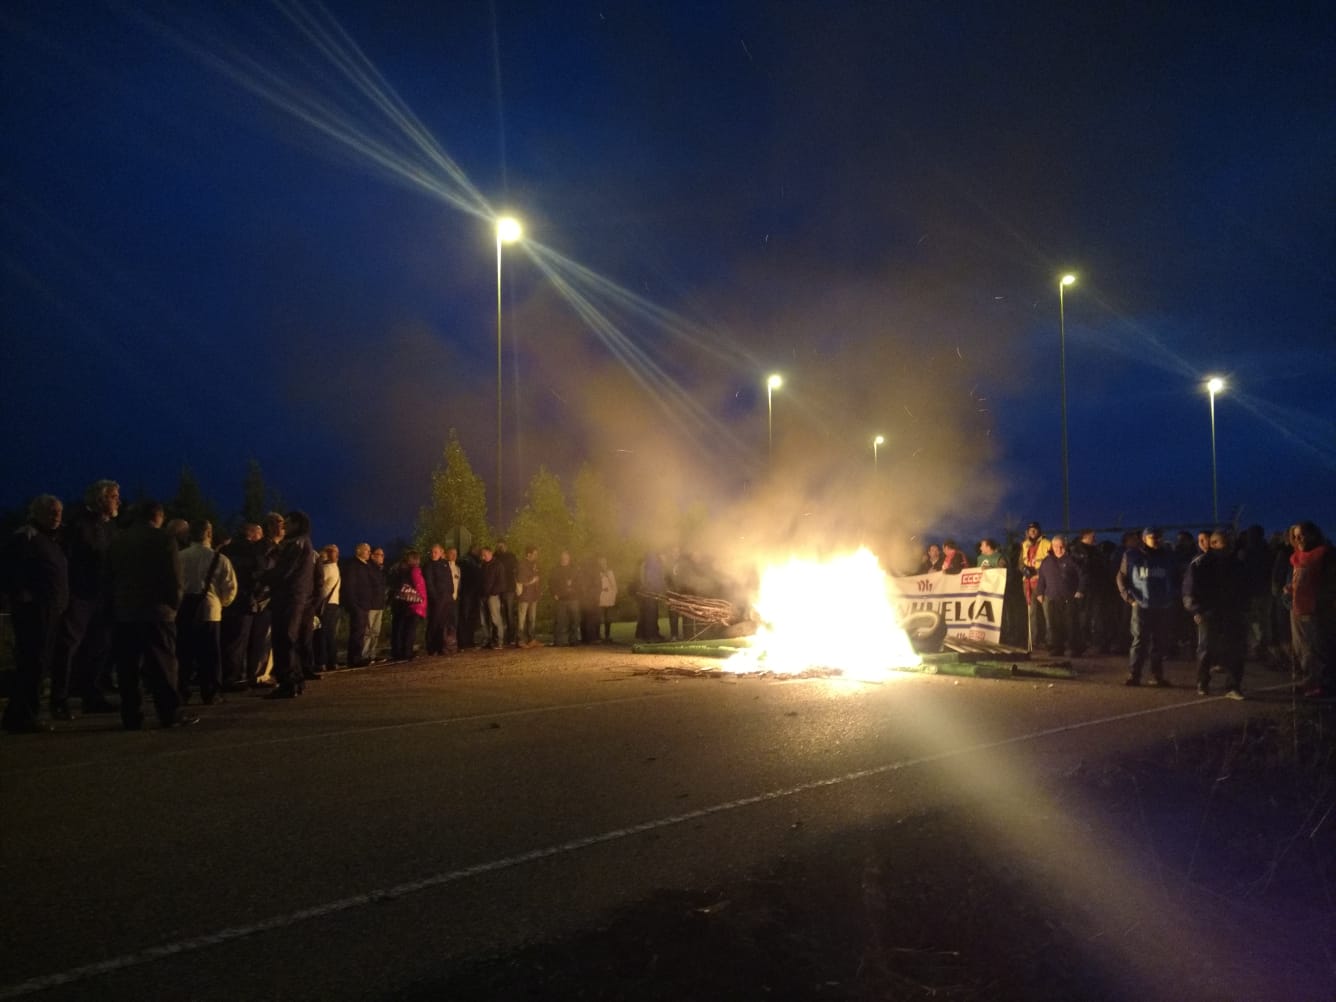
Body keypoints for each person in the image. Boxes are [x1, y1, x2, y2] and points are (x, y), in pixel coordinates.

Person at [105, 500, 196, 729]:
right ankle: (169, 712)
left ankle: (131, 715)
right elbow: (174, 577)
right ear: (158, 515)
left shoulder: (118, 540)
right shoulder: (163, 539)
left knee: (128, 667)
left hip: (124, 612)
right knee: (163, 665)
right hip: (157, 611)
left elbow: (107, 576)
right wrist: (174, 605)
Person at [52, 478, 120, 717]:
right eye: (113, 496)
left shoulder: (110, 528)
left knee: (99, 648)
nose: (117, 501)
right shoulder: (78, 525)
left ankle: (92, 695)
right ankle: (59, 699)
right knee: (69, 646)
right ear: (101, 499)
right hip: (80, 596)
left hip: (102, 597)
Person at [2, 495, 68, 733]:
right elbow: (11, 567)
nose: (57, 516)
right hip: (35, 609)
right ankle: (24, 716)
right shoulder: (27, 536)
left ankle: (18, 712)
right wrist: (21, 593)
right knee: (33, 660)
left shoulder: (49, 539)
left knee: (38, 662)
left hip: (50, 608)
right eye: (51, 512)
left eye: (59, 512)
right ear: (36, 513)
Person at [177, 520, 238, 705]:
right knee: (210, 655)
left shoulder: (179, 556)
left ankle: (182, 690)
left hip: (184, 609)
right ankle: (210, 692)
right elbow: (230, 587)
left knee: (184, 654)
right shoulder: (219, 559)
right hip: (210, 609)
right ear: (209, 534)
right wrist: (222, 602)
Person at [1183, 529, 1247, 698]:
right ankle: (1202, 683)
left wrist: (1244, 608)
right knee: (1206, 648)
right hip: (1208, 612)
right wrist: (1196, 610)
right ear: (1214, 544)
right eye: (1226, 542)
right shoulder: (1200, 563)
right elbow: (1189, 590)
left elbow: (1244, 588)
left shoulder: (1237, 563)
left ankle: (1233, 686)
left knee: (1235, 649)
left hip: (1232, 612)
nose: (1231, 545)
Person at [1116, 527, 1178, 686]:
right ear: (1144, 539)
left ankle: (1157, 676)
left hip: (1162, 605)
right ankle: (1134, 675)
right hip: (1141, 604)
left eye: (1159, 537)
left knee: (1159, 642)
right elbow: (1121, 577)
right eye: (1152, 537)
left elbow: (1176, 577)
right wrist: (1129, 598)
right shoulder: (1132, 555)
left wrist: (1171, 597)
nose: (1156, 540)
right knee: (1140, 641)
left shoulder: (1168, 556)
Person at [264, 510, 316, 698]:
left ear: (297, 523)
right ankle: (296, 679)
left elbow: (285, 571)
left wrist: (263, 577)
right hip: (297, 596)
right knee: (290, 638)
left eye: (287, 522)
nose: (284, 525)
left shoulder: (296, 544)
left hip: (288, 596)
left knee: (283, 638)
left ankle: (287, 683)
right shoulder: (302, 543)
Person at [1288, 521, 1332, 699]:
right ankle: (1310, 680)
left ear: (1313, 534)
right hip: (1298, 607)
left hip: (1316, 608)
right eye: (1295, 536)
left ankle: (1322, 684)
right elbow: (1299, 579)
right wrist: (1290, 588)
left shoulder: (1325, 554)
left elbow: (1330, 582)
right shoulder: (1297, 557)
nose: (1298, 539)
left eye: (1302, 535)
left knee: (1316, 648)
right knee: (1302, 648)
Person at [219, 522, 264, 690]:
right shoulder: (253, 551)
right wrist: (257, 597)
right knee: (240, 641)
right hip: (245, 600)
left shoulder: (225, 550)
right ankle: (233, 678)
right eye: (259, 535)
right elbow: (259, 575)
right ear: (252, 534)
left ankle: (225, 674)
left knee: (227, 640)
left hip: (225, 601)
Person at [1034, 534, 1088, 657]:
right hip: (1052, 598)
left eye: (1061, 546)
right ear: (1052, 547)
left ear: (1065, 546)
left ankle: (1074, 648)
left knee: (1071, 624)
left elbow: (1083, 576)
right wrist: (1040, 592)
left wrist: (1080, 590)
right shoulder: (1047, 561)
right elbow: (1041, 578)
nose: (1059, 548)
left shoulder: (1072, 560)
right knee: (1054, 625)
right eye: (1056, 546)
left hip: (1068, 599)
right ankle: (1057, 648)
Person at [388, 549, 427, 660]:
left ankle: (399, 651)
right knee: (407, 628)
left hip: (399, 602)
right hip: (408, 602)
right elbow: (417, 586)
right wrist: (421, 599)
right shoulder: (410, 571)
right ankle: (405, 651)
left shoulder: (397, 569)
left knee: (400, 628)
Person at [341, 543, 375, 666]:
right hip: (358, 605)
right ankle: (353, 658)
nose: (369, 553)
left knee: (361, 632)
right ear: (358, 551)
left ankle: (358, 656)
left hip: (365, 604)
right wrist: (353, 604)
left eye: (369, 551)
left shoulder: (365, 566)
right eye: (367, 550)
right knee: (356, 632)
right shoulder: (353, 565)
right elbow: (349, 586)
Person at [1020, 522, 1051, 651]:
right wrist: (1024, 569)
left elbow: (1051, 561)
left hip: (1042, 582)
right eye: (1030, 530)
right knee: (1031, 613)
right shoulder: (1024, 544)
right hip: (1027, 583)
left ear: (1039, 531)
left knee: (1047, 612)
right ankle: (1034, 640)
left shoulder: (1046, 543)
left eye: (1034, 530)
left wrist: (1038, 572)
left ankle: (1051, 640)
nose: (1032, 532)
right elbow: (1020, 562)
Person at [312, 544, 341, 671]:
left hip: (325, 604)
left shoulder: (327, 568)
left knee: (321, 634)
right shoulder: (336, 567)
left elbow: (319, 587)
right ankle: (332, 661)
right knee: (330, 634)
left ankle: (321, 661)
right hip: (333, 603)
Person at [421, 544, 453, 656]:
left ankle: (441, 646)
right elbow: (429, 583)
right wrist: (435, 597)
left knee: (442, 623)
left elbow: (449, 578)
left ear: (441, 552)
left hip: (446, 597)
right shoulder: (428, 566)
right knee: (434, 623)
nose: (433, 554)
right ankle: (431, 647)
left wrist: (451, 592)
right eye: (432, 552)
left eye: (436, 552)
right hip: (436, 599)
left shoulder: (444, 563)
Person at [494, 539, 520, 649]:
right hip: (498, 589)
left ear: (505, 545)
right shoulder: (495, 556)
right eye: (498, 546)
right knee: (499, 614)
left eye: (502, 546)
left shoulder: (511, 556)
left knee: (509, 613)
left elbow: (517, 570)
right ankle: (500, 637)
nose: (500, 548)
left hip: (509, 589)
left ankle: (511, 637)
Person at [550, 550, 580, 646]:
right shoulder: (556, 569)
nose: (564, 559)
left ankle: (573, 640)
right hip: (560, 599)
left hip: (573, 598)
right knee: (560, 621)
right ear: (560, 558)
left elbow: (579, 582)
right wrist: (554, 593)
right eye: (563, 557)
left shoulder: (574, 569)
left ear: (569, 558)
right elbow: (551, 583)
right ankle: (559, 641)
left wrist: (574, 588)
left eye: (566, 557)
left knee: (574, 620)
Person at [479, 545, 506, 649]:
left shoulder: (498, 565)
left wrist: (492, 592)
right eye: (482, 555)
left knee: (495, 619)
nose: (482, 557)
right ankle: (487, 640)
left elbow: (502, 583)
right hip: (482, 595)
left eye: (484, 555)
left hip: (492, 596)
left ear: (490, 553)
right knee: (484, 620)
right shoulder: (483, 565)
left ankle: (499, 641)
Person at [636, 550, 665, 642]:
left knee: (651, 614)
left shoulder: (646, 564)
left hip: (650, 592)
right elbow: (652, 579)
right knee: (651, 615)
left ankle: (651, 634)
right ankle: (650, 635)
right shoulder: (651, 565)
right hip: (650, 593)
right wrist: (657, 589)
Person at [365, 546, 388, 662]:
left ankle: (372, 655)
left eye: (383, 555)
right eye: (380, 555)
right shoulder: (369, 569)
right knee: (368, 632)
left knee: (375, 632)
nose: (382, 557)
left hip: (379, 604)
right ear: (373, 556)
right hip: (371, 604)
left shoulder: (380, 570)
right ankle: (364, 655)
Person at [516, 545, 542, 648]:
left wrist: (538, 590)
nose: (537, 556)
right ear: (528, 554)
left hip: (533, 596)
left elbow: (538, 577)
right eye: (535, 554)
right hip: (524, 596)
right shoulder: (522, 565)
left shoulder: (534, 564)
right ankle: (520, 640)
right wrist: (533, 580)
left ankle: (531, 639)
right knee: (521, 620)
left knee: (532, 619)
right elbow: (521, 580)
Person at [598, 556, 618, 642]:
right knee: (599, 617)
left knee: (608, 618)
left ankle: (607, 635)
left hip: (609, 598)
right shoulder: (597, 573)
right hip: (600, 597)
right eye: (601, 562)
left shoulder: (610, 572)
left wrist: (614, 595)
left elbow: (614, 585)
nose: (603, 564)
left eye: (604, 562)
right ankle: (598, 635)